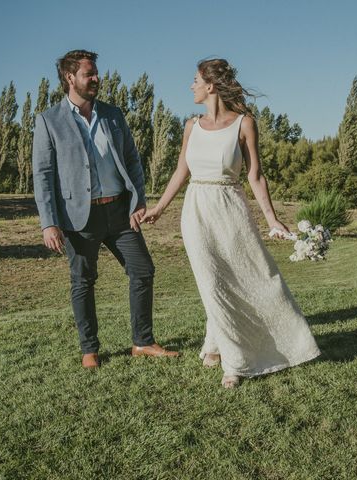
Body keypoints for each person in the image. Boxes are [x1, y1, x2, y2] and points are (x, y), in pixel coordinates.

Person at [142, 59, 320, 388]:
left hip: (231, 207)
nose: (191, 86)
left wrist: (272, 219)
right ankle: (233, 362)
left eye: (195, 80)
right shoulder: (191, 126)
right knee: (211, 282)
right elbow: (181, 170)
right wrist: (160, 207)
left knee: (250, 277)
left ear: (211, 85)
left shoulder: (244, 124)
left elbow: (255, 175)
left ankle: (223, 344)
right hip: (196, 210)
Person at [32, 49, 178, 369]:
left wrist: (138, 199)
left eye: (96, 73)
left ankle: (142, 342)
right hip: (78, 218)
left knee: (143, 270)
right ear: (71, 78)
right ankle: (89, 349)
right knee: (83, 280)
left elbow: (132, 161)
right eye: (89, 74)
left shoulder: (113, 114)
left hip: (120, 213)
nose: (97, 78)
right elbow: (42, 176)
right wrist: (49, 223)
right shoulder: (48, 121)